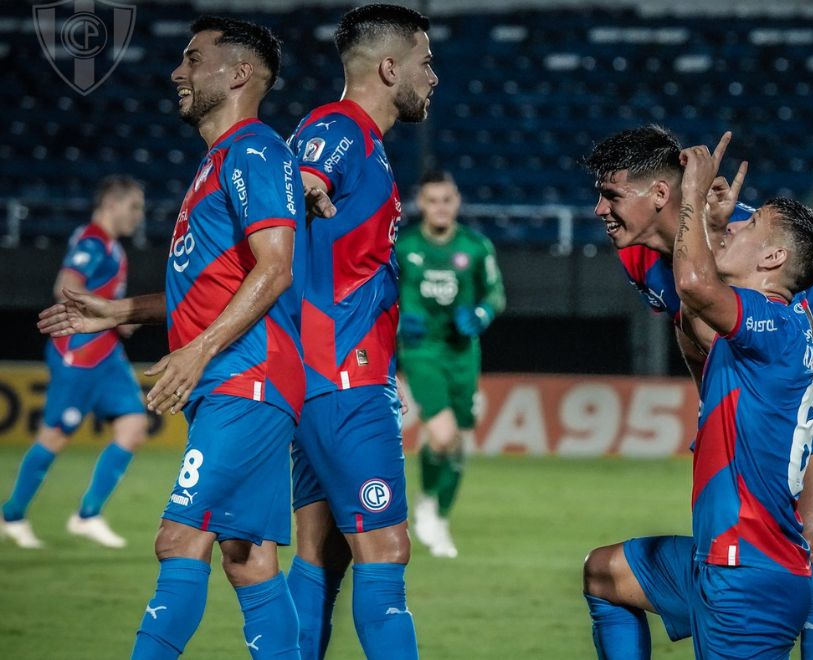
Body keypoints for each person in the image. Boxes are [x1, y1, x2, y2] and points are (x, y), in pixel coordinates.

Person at [38, 16, 305, 658]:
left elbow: (276, 267)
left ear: (239, 73)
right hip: (243, 380)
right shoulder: (218, 162)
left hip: (247, 378)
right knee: (247, 557)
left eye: (192, 59)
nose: (176, 72)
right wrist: (116, 310)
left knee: (179, 539)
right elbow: (210, 289)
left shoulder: (253, 151)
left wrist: (200, 348)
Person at [583, 125, 813, 658]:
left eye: (612, 196)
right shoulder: (638, 255)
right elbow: (694, 330)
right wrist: (714, 409)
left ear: (660, 195)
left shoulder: (741, 242)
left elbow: (803, 353)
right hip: (748, 372)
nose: (600, 210)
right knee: (612, 570)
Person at [283, 5, 436, 658]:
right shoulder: (340, 126)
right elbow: (304, 178)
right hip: (345, 376)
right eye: (427, 63)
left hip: (316, 377)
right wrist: (307, 188)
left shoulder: (365, 144)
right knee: (385, 550)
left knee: (320, 553)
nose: (435, 77)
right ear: (389, 66)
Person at [1, 175, 148, 550]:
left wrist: (117, 318)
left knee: (133, 425)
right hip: (79, 352)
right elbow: (64, 284)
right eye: (134, 207)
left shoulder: (112, 247)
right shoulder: (92, 241)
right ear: (111, 204)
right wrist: (105, 313)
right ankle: (11, 515)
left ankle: (88, 514)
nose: (139, 215)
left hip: (108, 353)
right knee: (55, 436)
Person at [394, 170, 505, 559]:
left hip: (462, 353)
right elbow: (380, 292)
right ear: (421, 204)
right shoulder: (404, 247)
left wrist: (480, 314)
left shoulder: (475, 247)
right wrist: (397, 317)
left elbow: (495, 294)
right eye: (432, 200)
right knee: (440, 434)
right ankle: (427, 504)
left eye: (447, 199)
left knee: (456, 443)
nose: (440, 207)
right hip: (422, 350)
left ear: (456, 202)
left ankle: (436, 513)